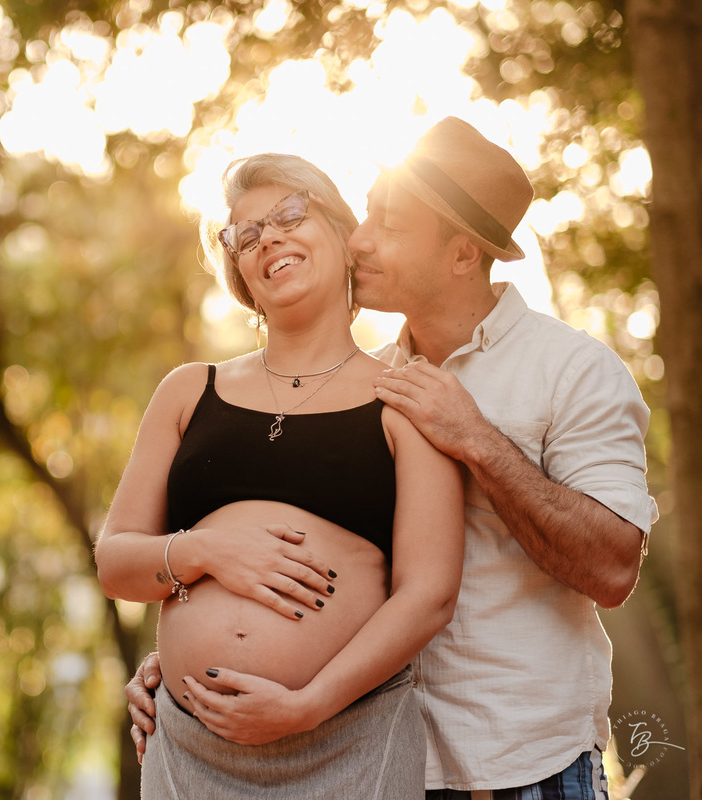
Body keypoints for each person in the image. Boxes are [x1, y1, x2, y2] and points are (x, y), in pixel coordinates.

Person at [125, 117, 659, 799]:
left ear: (464, 254)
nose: (360, 237)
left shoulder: (573, 371)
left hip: (520, 762)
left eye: (390, 223)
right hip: (369, 754)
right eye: (366, 213)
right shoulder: (362, 388)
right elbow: (332, 560)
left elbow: (613, 568)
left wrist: (477, 439)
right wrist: (187, 654)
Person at [94, 152, 464, 797]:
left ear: (342, 235)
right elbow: (115, 563)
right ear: (240, 271)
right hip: (188, 746)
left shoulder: (407, 398)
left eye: (291, 213)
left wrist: (309, 704)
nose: (270, 237)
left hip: (352, 739)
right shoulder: (187, 392)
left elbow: (428, 593)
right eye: (247, 235)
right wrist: (204, 549)